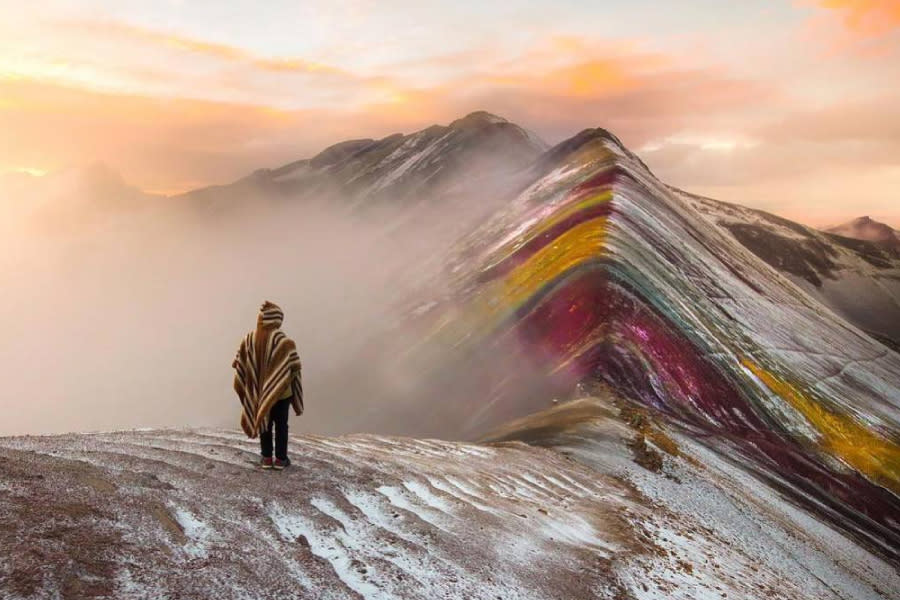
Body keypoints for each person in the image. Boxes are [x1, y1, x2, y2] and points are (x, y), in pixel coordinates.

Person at [232, 301, 303, 470]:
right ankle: (280, 459)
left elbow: (238, 364)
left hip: (258, 391)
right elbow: (295, 369)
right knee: (281, 425)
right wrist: (289, 385)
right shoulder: (285, 342)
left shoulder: (248, 339)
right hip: (282, 394)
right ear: (277, 320)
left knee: (264, 421)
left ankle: (266, 458)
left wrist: (254, 379)